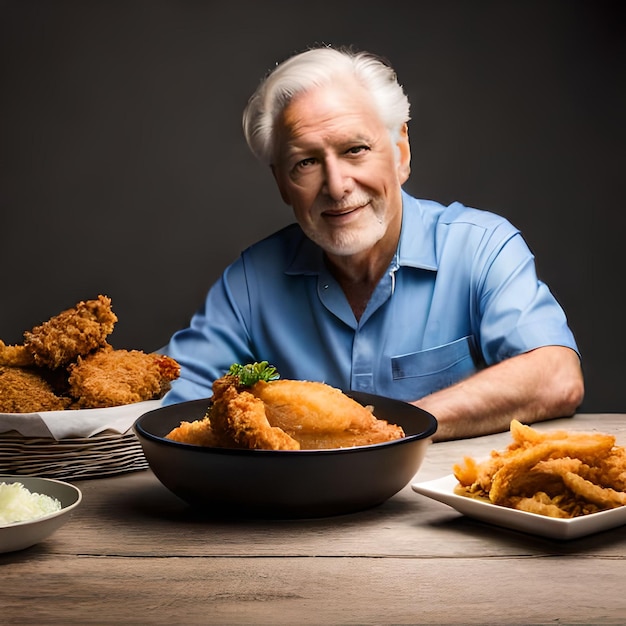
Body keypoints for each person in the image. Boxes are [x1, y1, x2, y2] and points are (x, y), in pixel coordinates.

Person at [161, 45, 584, 441]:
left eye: (355, 149)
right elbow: (164, 407)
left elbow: (556, 377)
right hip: (294, 518)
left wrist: (387, 433)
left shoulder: (481, 248)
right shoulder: (251, 283)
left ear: (400, 151)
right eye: (305, 162)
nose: (337, 185)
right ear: (281, 183)